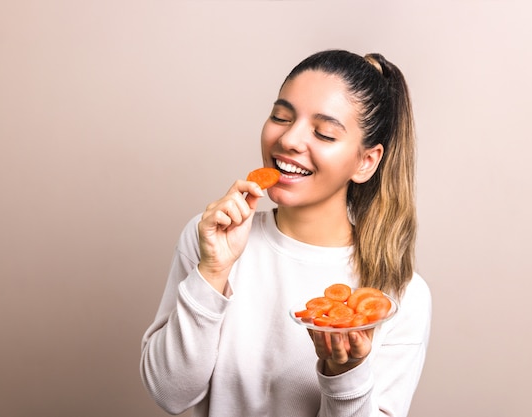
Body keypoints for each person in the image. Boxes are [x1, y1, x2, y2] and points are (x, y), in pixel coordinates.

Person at [140, 49, 431, 417]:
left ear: (365, 161)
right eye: (281, 116)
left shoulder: (399, 296)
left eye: (324, 133)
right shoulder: (214, 239)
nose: (289, 139)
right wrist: (212, 272)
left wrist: (344, 375)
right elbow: (169, 392)